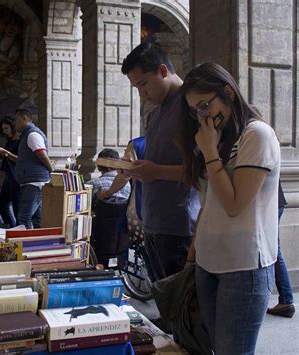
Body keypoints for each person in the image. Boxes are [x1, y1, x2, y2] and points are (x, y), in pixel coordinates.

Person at [178, 62, 280, 355]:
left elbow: (235, 205)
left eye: (205, 105)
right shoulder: (220, 140)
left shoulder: (256, 135)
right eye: (195, 110)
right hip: (208, 261)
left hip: (244, 266)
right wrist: (192, 258)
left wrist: (209, 152)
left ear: (228, 93)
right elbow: (208, 204)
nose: (203, 116)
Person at [120, 42, 200, 282]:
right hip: (153, 223)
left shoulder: (191, 106)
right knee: (165, 306)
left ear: (163, 71)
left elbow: (203, 171)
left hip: (179, 227)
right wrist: (138, 170)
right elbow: (156, 164)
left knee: (182, 311)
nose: (141, 93)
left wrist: (155, 172)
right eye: (136, 87)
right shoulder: (155, 113)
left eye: (143, 84)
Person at [13, 108, 52, 229]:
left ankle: (27, 246)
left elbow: (42, 155)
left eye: (16, 120)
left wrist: (52, 171)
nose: (14, 124)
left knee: (24, 217)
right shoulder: (28, 135)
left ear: (24, 119)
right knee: (36, 218)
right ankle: (39, 243)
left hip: (34, 183)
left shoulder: (32, 134)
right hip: (34, 181)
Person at [267, 182, 295, 318]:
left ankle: (286, 300)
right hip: (274, 202)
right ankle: (286, 299)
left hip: (270, 204)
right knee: (274, 251)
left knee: (274, 252)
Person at [0, 115, 20, 228]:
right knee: (2, 206)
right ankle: (12, 228)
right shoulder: (10, 140)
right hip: (8, 176)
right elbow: (7, 157)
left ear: (13, 126)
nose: (5, 131)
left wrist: (5, 152)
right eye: (3, 129)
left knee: (17, 208)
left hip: (17, 177)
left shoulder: (21, 141)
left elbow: (20, 160)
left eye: (7, 128)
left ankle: (17, 231)